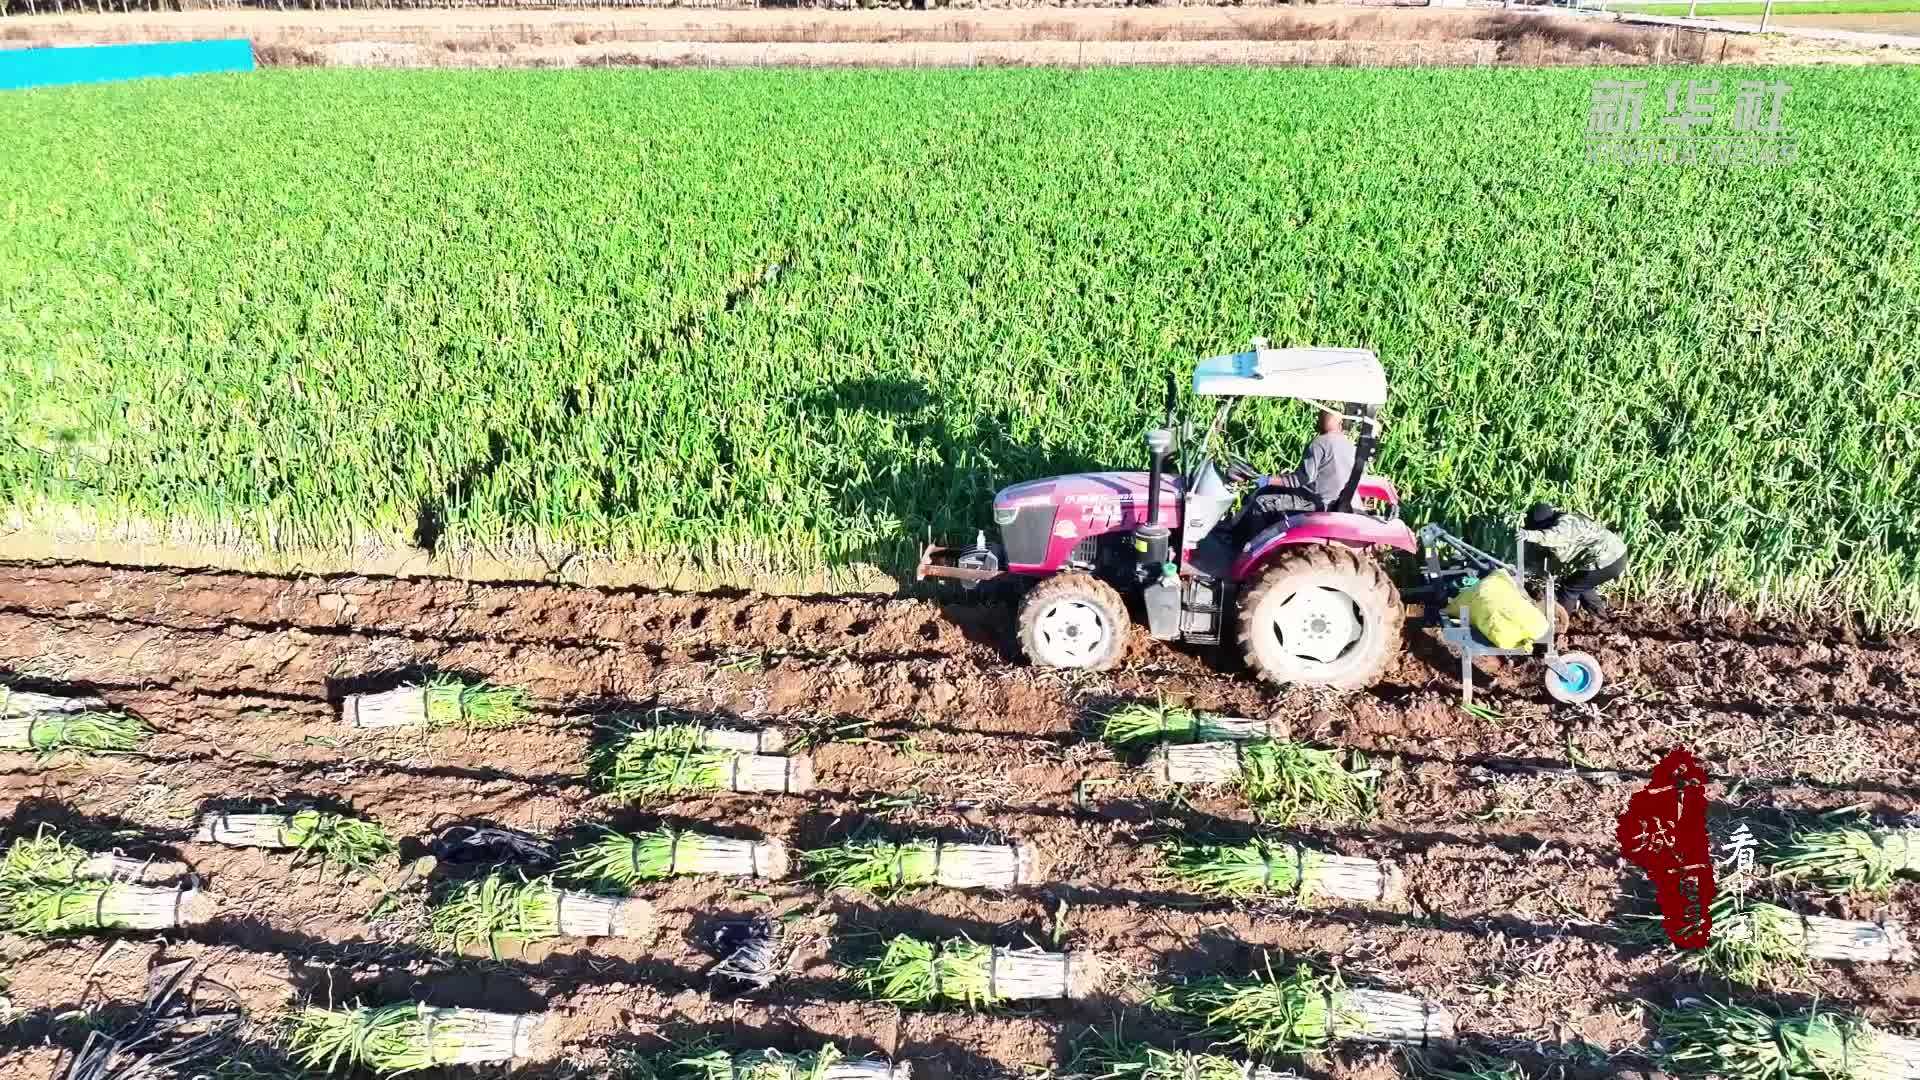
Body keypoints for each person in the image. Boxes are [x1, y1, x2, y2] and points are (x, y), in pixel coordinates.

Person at [1520, 501, 1629, 618]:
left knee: (1569, 589)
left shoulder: (1564, 524)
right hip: (1615, 556)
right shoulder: (1565, 519)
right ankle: (1600, 618)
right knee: (1581, 585)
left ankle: (1559, 623)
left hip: (1607, 558)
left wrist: (1528, 535)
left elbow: (1552, 536)